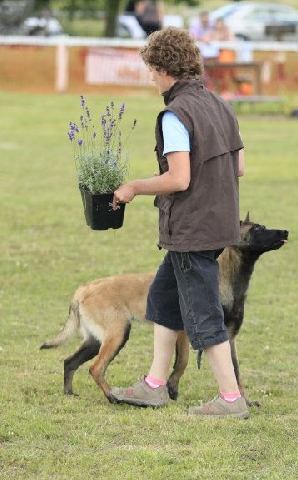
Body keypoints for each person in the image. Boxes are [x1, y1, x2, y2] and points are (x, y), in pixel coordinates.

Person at [109, 27, 248, 419]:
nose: (150, 77)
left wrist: (134, 187)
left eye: (151, 69)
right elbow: (239, 166)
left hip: (191, 229)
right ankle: (154, 385)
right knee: (164, 301)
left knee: (203, 314)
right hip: (217, 224)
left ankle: (231, 399)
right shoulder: (220, 105)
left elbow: (179, 179)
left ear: (162, 67)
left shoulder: (175, 114)